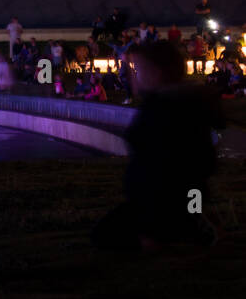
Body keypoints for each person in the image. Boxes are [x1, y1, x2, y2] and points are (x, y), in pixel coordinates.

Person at [92, 40, 221, 251]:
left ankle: (183, 229)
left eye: (136, 69)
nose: (131, 75)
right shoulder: (166, 105)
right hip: (161, 199)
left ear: (155, 73)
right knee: (107, 232)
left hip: (163, 202)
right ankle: (189, 224)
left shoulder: (167, 110)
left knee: (111, 237)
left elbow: (190, 168)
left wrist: (183, 209)